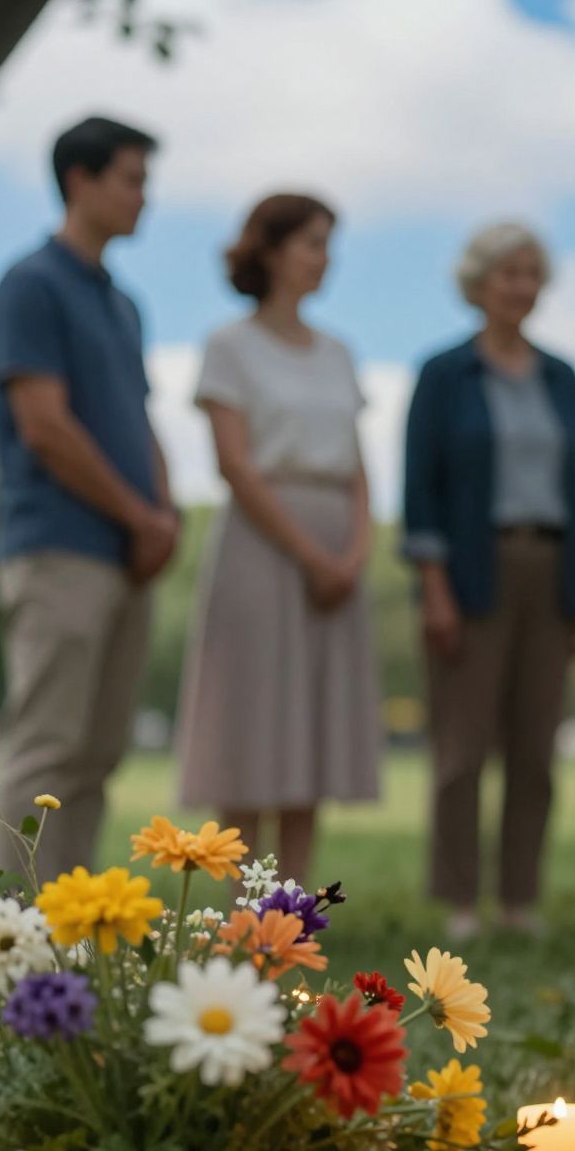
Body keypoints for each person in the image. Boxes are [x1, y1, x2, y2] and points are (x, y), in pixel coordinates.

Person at [0, 116, 180, 881]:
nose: (144, 198)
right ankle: (12, 950)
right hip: (59, 546)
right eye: (131, 179)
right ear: (80, 181)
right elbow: (45, 425)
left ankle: (66, 942)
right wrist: (140, 518)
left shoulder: (122, 303)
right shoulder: (31, 285)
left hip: (127, 556)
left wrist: (162, 517)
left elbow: (139, 419)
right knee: (47, 751)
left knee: (96, 757)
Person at [402, 221, 575, 936]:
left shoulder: (562, 378)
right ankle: (461, 901)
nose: (520, 286)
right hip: (470, 571)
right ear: (479, 283)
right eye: (507, 273)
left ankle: (519, 900)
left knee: (535, 746)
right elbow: (420, 486)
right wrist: (432, 584)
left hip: (551, 570)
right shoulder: (444, 374)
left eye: (531, 273)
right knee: (462, 748)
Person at [174, 194, 381, 882]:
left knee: (309, 728)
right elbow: (234, 462)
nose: (325, 259)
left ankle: (293, 912)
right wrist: (309, 554)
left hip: (333, 546)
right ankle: (238, 911)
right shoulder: (230, 346)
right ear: (270, 250)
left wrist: (352, 555)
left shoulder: (339, 352)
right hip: (264, 548)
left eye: (330, 244)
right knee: (253, 722)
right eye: (313, 243)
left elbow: (357, 466)